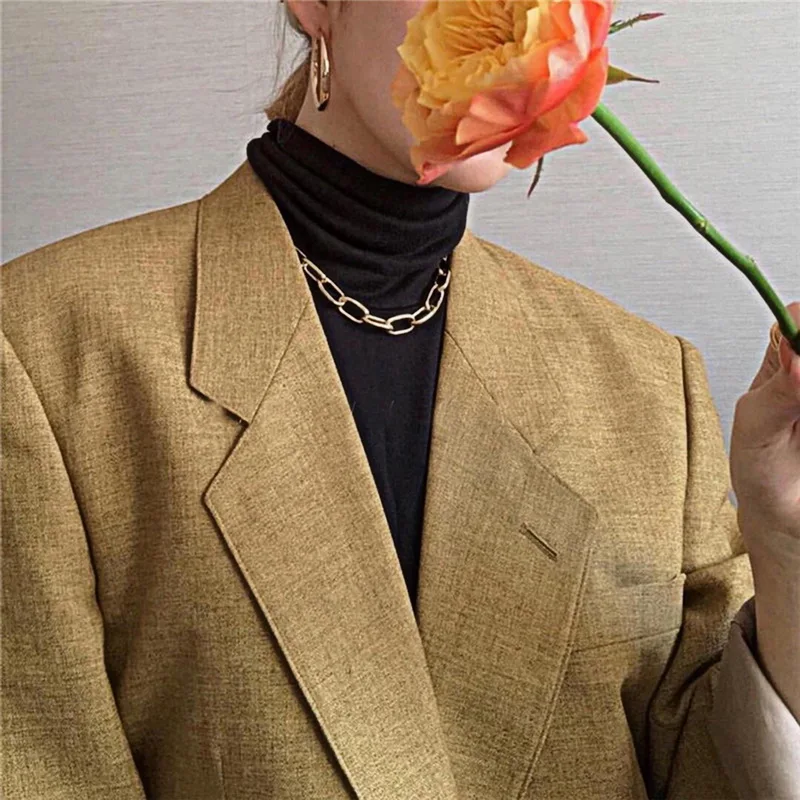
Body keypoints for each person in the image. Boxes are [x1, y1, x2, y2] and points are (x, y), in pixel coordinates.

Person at [2, 1, 799, 798]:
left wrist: (783, 539)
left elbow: (714, 773)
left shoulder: (645, 382)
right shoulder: (46, 351)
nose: (522, 18)